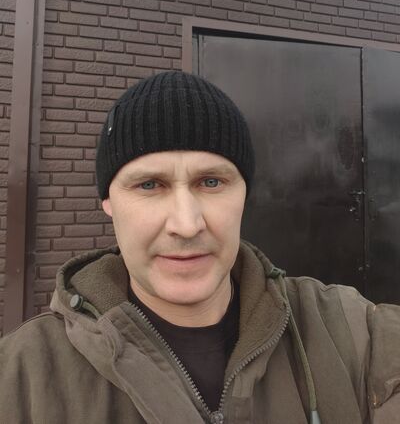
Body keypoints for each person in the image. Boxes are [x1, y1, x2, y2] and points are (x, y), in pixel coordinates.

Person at [0, 71, 399, 424]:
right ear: (108, 201)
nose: (186, 224)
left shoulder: (348, 332)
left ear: (244, 193)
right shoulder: (22, 377)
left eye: (211, 182)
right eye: (149, 185)